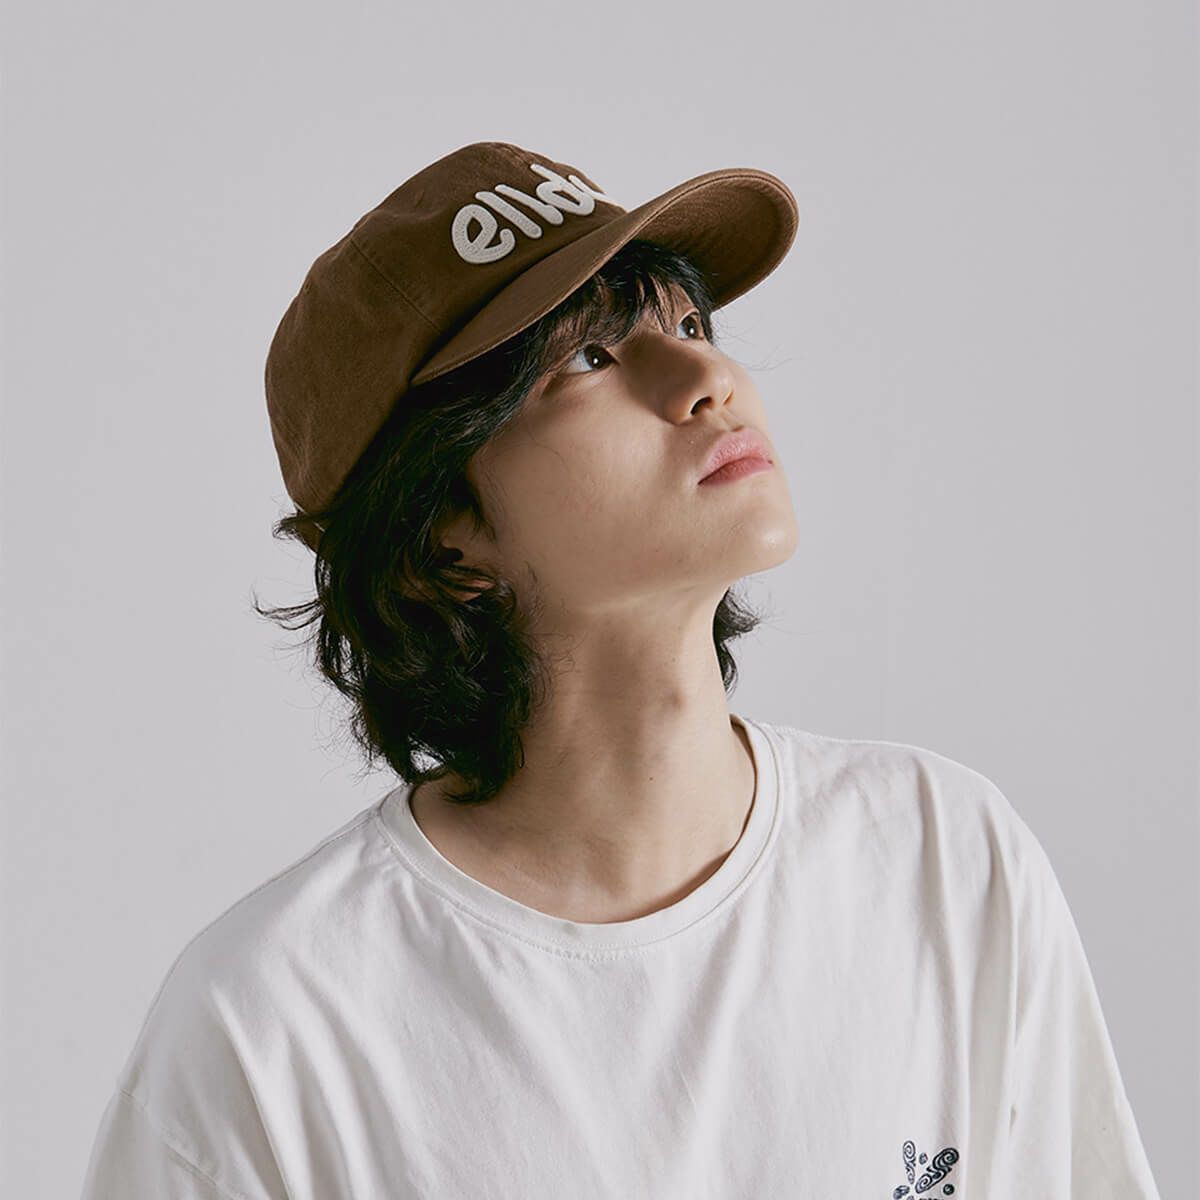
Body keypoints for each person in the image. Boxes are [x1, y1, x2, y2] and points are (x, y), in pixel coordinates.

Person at [80, 140, 1162, 1198]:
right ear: (443, 534)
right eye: (588, 360)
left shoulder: (941, 855)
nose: (708, 379)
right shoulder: (269, 1027)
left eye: (688, 322)